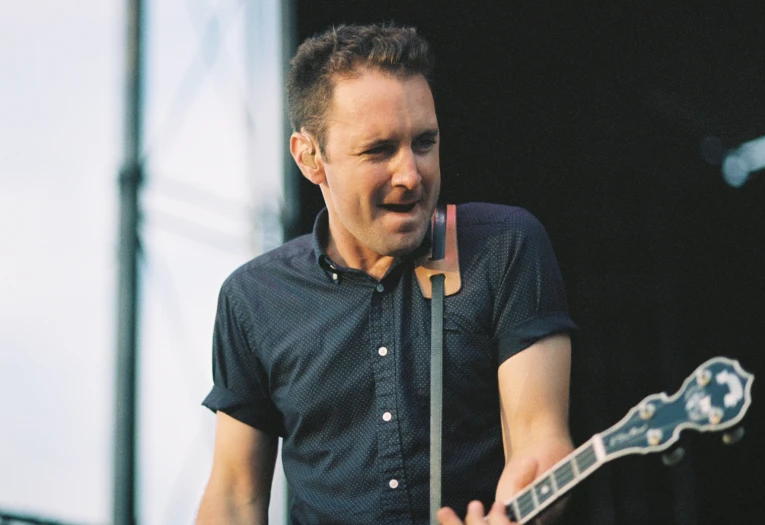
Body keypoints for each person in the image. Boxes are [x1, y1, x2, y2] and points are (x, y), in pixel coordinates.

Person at [196, 23, 576, 525]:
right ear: (310, 158)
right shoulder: (252, 299)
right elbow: (234, 496)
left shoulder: (506, 246)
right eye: (378, 150)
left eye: (424, 142)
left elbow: (541, 441)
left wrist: (516, 505)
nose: (411, 174)